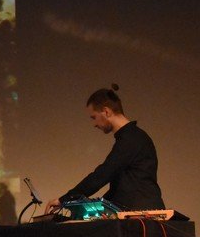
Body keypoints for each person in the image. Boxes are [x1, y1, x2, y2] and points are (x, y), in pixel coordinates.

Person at [46, 84, 164, 213]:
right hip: (138, 210)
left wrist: (64, 200)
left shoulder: (130, 139)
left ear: (106, 112)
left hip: (142, 213)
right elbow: (120, 185)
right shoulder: (132, 137)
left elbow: (103, 174)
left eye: (94, 117)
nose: (94, 124)